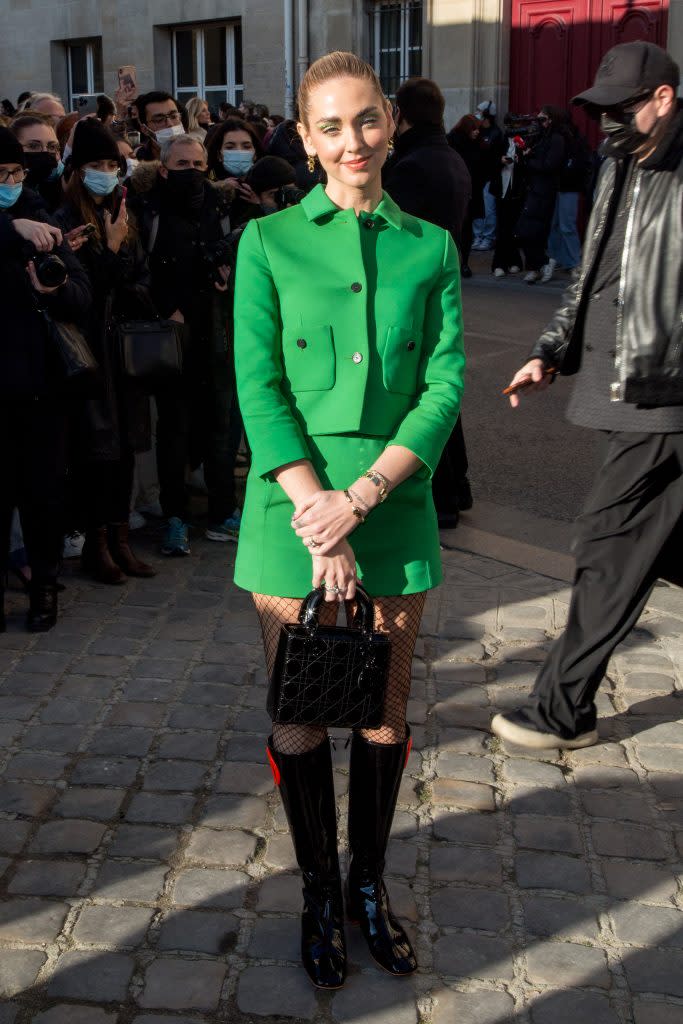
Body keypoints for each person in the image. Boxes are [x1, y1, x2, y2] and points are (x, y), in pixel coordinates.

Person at [233, 51, 464, 989]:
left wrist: (360, 500)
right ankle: (317, 893)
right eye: (329, 126)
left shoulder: (432, 247)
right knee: (300, 713)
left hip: (392, 503)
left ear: (389, 122)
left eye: (365, 119)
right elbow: (256, 383)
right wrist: (315, 512)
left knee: (380, 710)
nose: (351, 141)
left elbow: (443, 385)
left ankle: (369, 887)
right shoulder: (268, 243)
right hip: (288, 511)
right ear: (305, 137)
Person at [491, 42, 683, 752]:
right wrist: (550, 349)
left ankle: (560, 709)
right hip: (619, 380)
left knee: (607, 542)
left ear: (662, 97)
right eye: (598, 109)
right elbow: (591, 271)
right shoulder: (617, 163)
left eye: (621, 107)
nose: (606, 121)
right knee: (643, 543)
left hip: (662, 393)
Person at [54, 118, 157, 585]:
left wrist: (122, 260)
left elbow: (140, 279)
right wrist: (110, 252)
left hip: (123, 350)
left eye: (112, 164)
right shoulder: (63, 219)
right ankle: (97, 545)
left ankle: (120, 541)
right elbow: (85, 292)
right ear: (77, 170)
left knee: (125, 451)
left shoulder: (124, 213)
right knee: (96, 450)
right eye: (95, 164)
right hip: (88, 352)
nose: (105, 172)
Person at [127, 134, 240, 554]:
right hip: (170, 334)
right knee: (174, 430)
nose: (191, 173)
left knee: (220, 427)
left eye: (198, 165)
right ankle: (175, 517)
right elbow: (138, 268)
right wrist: (164, 307)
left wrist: (227, 277)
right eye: (182, 166)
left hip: (215, 330)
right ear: (163, 168)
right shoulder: (146, 209)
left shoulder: (221, 205)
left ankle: (222, 514)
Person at [0, 126, 91, 630]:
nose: (11, 181)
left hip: (42, 388)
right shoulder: (17, 227)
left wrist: (53, 288)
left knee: (42, 496)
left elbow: (81, 293)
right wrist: (8, 231)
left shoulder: (43, 218)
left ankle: (44, 589)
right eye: (2, 174)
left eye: (15, 172)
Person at [384, 79, 472, 528]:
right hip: (438, 282)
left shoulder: (412, 164)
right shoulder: (449, 156)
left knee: (425, 396)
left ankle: (444, 498)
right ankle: (455, 490)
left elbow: (395, 235)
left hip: (414, 291)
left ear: (401, 114)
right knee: (438, 392)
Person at [384, 77, 471, 253]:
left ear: (399, 114)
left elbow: (388, 229)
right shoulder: (454, 158)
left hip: (414, 269)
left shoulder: (409, 167)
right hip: (445, 263)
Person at [516, 105, 567, 282]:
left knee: (534, 231)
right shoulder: (539, 138)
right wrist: (524, 155)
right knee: (524, 230)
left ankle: (539, 265)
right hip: (532, 189)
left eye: (543, 119)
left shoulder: (557, 139)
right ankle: (537, 265)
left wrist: (530, 160)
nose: (540, 123)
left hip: (545, 191)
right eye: (539, 119)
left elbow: (549, 165)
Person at [542, 109, 592, 281]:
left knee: (566, 225)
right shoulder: (555, 136)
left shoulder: (569, 138)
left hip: (568, 187)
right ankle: (555, 259)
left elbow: (574, 164)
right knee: (555, 225)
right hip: (557, 187)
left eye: (545, 118)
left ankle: (576, 264)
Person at [206, 117, 264, 227]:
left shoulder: (267, 184)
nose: (239, 151)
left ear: (255, 154)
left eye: (246, 146)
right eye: (230, 147)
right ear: (219, 155)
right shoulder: (207, 186)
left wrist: (259, 206)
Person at [446, 113, 485, 277]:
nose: (477, 132)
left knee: (467, 229)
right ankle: (454, 263)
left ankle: (465, 263)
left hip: (472, 191)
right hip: (455, 191)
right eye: (474, 129)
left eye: (479, 129)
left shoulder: (477, 145)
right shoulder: (453, 141)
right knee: (455, 228)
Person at [489, 118, 525, 277]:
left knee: (512, 228)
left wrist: (520, 159)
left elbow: (528, 164)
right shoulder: (500, 140)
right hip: (501, 189)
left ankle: (514, 261)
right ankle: (499, 264)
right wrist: (500, 160)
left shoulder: (523, 142)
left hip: (515, 190)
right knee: (502, 228)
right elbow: (489, 158)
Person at [11, 113, 65, 213]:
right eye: (33, 146)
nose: (45, 152)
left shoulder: (55, 193)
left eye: (52, 147)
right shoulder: (9, 197)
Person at [471, 100, 503, 250]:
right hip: (477, 176)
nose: (476, 113)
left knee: (489, 209)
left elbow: (497, 157)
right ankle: (477, 236)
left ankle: (488, 237)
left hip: (490, 177)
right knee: (477, 209)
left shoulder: (496, 134)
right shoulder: (477, 132)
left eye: (479, 111)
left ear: (486, 115)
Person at [134, 91, 183, 162]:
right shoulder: (135, 161)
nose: (170, 124)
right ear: (145, 129)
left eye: (174, 116)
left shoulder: (197, 154)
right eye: (159, 120)